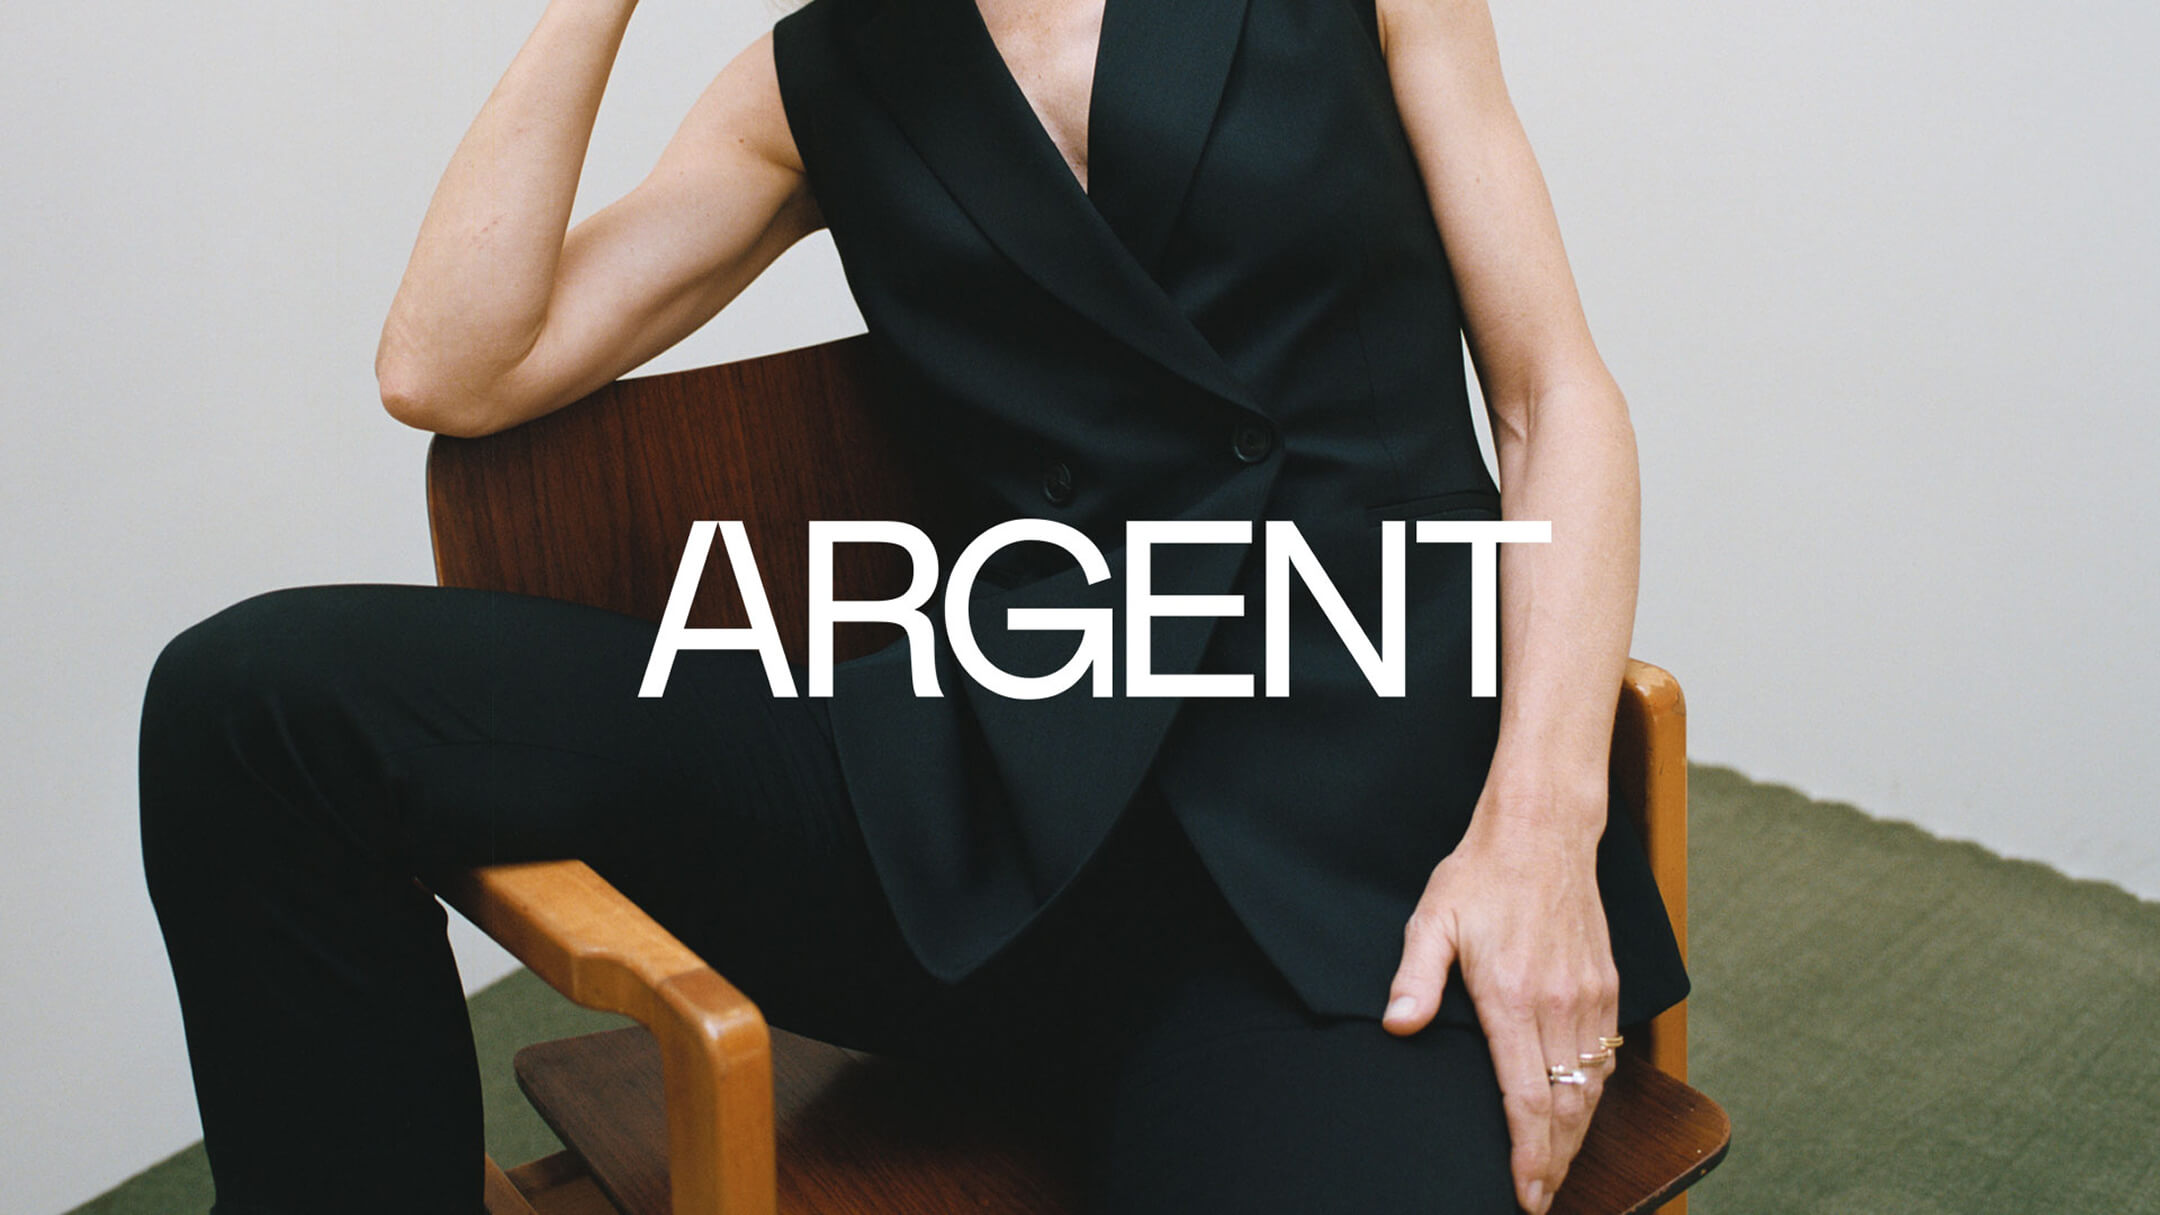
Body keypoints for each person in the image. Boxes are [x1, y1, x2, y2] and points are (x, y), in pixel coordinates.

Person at [139, 0, 1690, 1211]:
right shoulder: (824, 72)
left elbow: (1554, 397)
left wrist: (1540, 832)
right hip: (981, 823)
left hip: (1329, 883)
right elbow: (450, 367)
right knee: (256, 707)